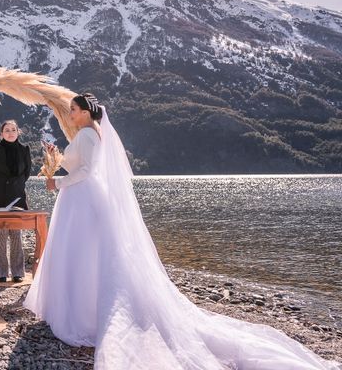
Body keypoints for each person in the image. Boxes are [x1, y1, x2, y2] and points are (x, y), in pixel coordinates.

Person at [24, 93, 339, 369]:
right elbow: (79, 165)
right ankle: (79, 306)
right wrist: (56, 160)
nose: (70, 114)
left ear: (87, 112)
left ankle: (82, 313)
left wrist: (58, 181)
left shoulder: (89, 135)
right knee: (81, 251)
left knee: (82, 252)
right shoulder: (88, 134)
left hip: (83, 197)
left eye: (74, 110)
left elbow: (87, 171)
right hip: (80, 197)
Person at [0, 120, 32, 283]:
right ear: (1, 134)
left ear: (18, 132)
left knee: (17, 233)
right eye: (7, 130)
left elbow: (27, 173)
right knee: (1, 234)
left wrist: (16, 186)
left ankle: (18, 272)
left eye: (13, 130)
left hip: (18, 195)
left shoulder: (25, 149)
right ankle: (0, 272)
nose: (10, 132)